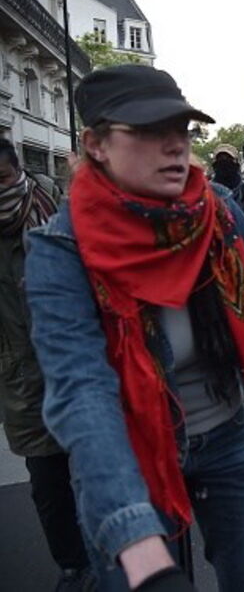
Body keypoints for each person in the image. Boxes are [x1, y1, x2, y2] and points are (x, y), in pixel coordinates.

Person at [24, 64, 244, 592]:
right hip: (129, 454)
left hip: (226, 434)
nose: (173, 147)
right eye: (148, 132)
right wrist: (137, 546)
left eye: (180, 131)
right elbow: (82, 395)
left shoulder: (214, 208)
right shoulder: (61, 249)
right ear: (96, 144)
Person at [0, 139, 95, 591]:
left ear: (17, 171)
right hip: (21, 374)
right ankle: (73, 564)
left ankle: (114, 549)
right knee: (47, 483)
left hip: (77, 364)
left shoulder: (56, 212)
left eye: (2, 180)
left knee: (97, 466)